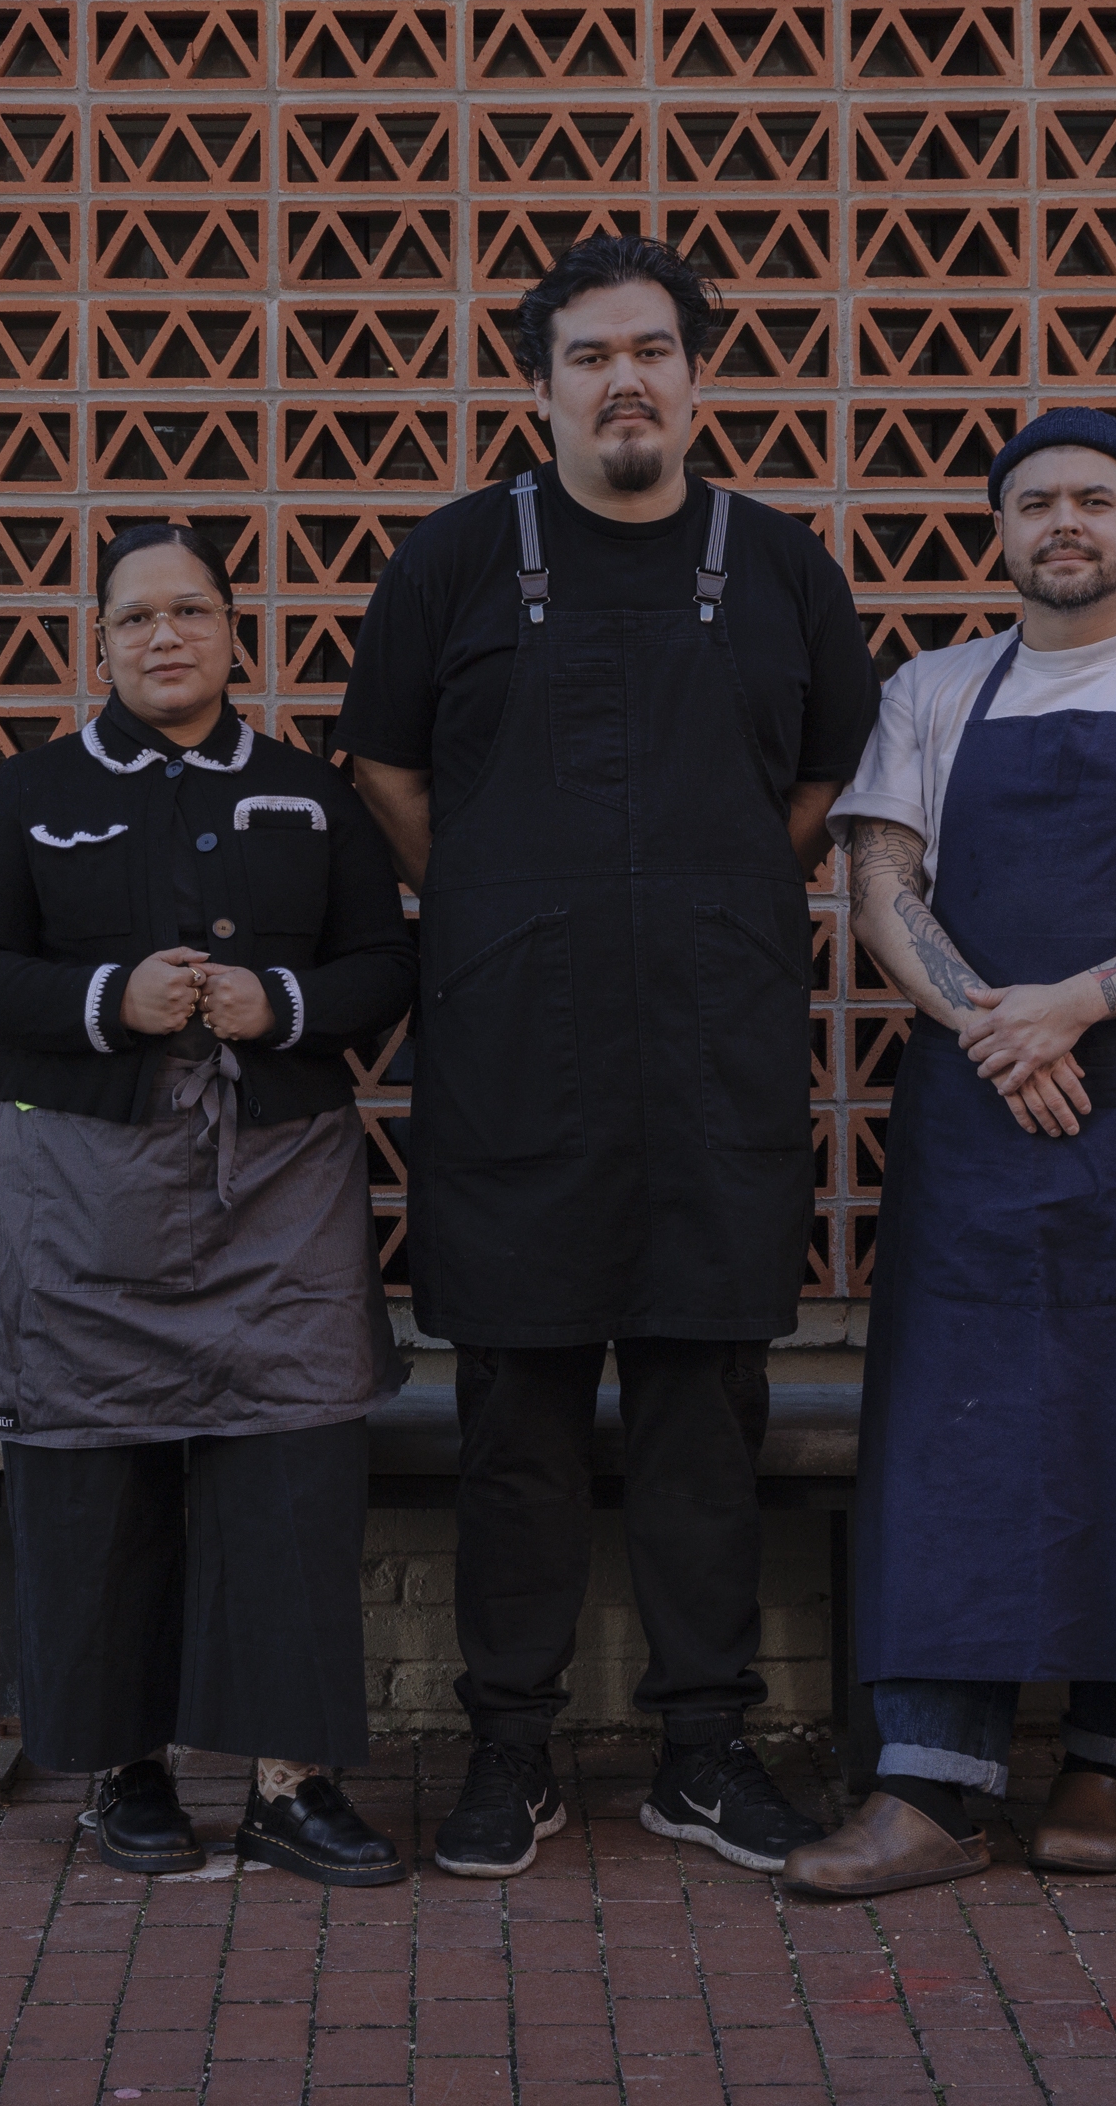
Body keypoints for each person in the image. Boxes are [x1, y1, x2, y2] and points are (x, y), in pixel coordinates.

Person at [337, 233, 878, 1880]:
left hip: (715, 1066)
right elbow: (388, 773)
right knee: (514, 1420)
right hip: (513, 1061)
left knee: (705, 1416)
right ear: (540, 387)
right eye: (589, 355)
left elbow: (820, 789)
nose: (623, 380)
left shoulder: (782, 567)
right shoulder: (449, 560)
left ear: (697, 377)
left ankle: (703, 1751)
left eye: (651, 350)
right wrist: (507, 910)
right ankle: (510, 1750)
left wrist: (713, 907)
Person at [779, 409, 1116, 1898]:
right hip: (977, 1109)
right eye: (1034, 503)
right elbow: (881, 887)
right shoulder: (931, 690)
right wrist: (994, 1028)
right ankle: (928, 1785)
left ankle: (1107, 1765)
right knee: (946, 1428)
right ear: (1002, 532)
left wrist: (1070, 1008)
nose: (1063, 522)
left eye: (1094, 498)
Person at [0, 522, 419, 1887]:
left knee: (293, 1478)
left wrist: (286, 1003)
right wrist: (110, 1001)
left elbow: (386, 964)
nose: (165, 636)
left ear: (230, 630)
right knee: (95, 1486)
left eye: (191, 611)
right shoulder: (28, 793)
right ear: (98, 641)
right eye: (137, 616)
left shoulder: (307, 796)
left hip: (282, 1192)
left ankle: (292, 1786)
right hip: (86, 1199)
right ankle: (124, 1773)